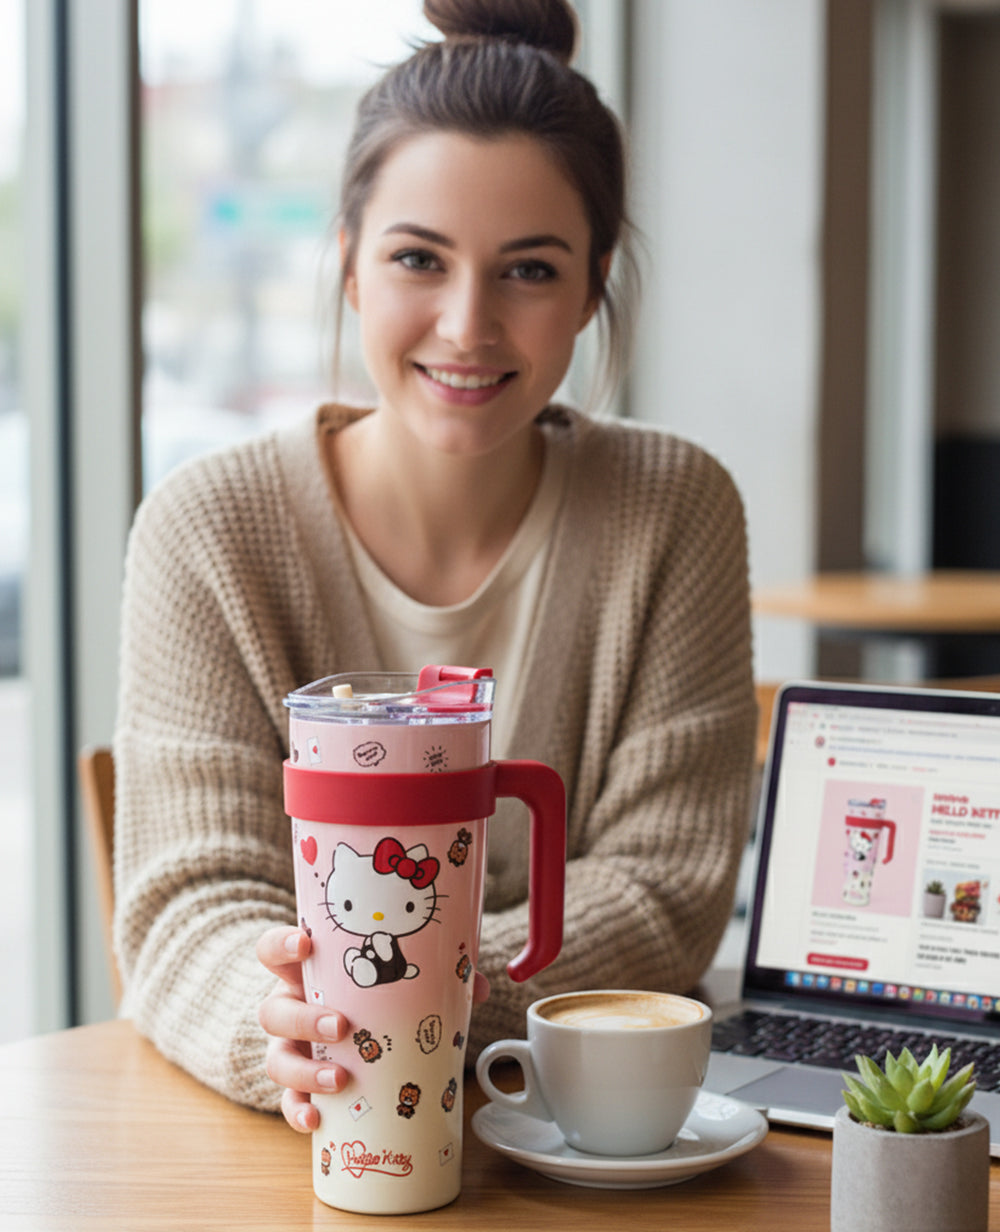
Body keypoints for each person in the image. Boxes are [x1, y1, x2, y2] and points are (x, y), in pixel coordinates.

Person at [113, 0, 756, 1135]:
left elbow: (666, 885)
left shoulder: (673, 508)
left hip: (586, 1139)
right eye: (419, 258)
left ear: (593, 287)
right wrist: (296, 1025)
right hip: (298, 1139)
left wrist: (413, 995)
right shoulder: (207, 526)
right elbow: (187, 903)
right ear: (352, 264)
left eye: (529, 270)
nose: (467, 326)